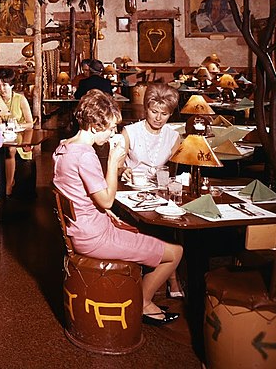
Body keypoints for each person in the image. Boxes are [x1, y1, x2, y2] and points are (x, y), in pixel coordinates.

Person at [53, 90, 183, 326]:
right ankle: (142, 302)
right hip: (94, 237)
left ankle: (139, 296)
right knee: (175, 253)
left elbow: (80, 195)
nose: (114, 133)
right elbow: (106, 201)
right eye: (111, 127)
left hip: (82, 230)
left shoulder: (63, 148)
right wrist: (113, 162)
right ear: (95, 125)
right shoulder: (85, 155)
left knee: (139, 234)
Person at [120, 83, 183, 298]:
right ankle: (171, 279)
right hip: (131, 192)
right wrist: (124, 169)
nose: (158, 118)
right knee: (156, 226)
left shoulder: (174, 137)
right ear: (146, 108)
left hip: (160, 192)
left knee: (170, 222)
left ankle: (166, 276)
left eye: (164, 114)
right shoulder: (129, 132)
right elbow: (117, 164)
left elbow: (175, 169)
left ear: (170, 114)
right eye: (154, 111)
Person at [0, 68, 33, 196]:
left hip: (19, 137)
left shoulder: (20, 99)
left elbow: (30, 122)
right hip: (2, 137)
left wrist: (16, 126)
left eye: (4, 85)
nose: (1, 88)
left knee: (11, 150)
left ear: (12, 85)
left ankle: (9, 184)